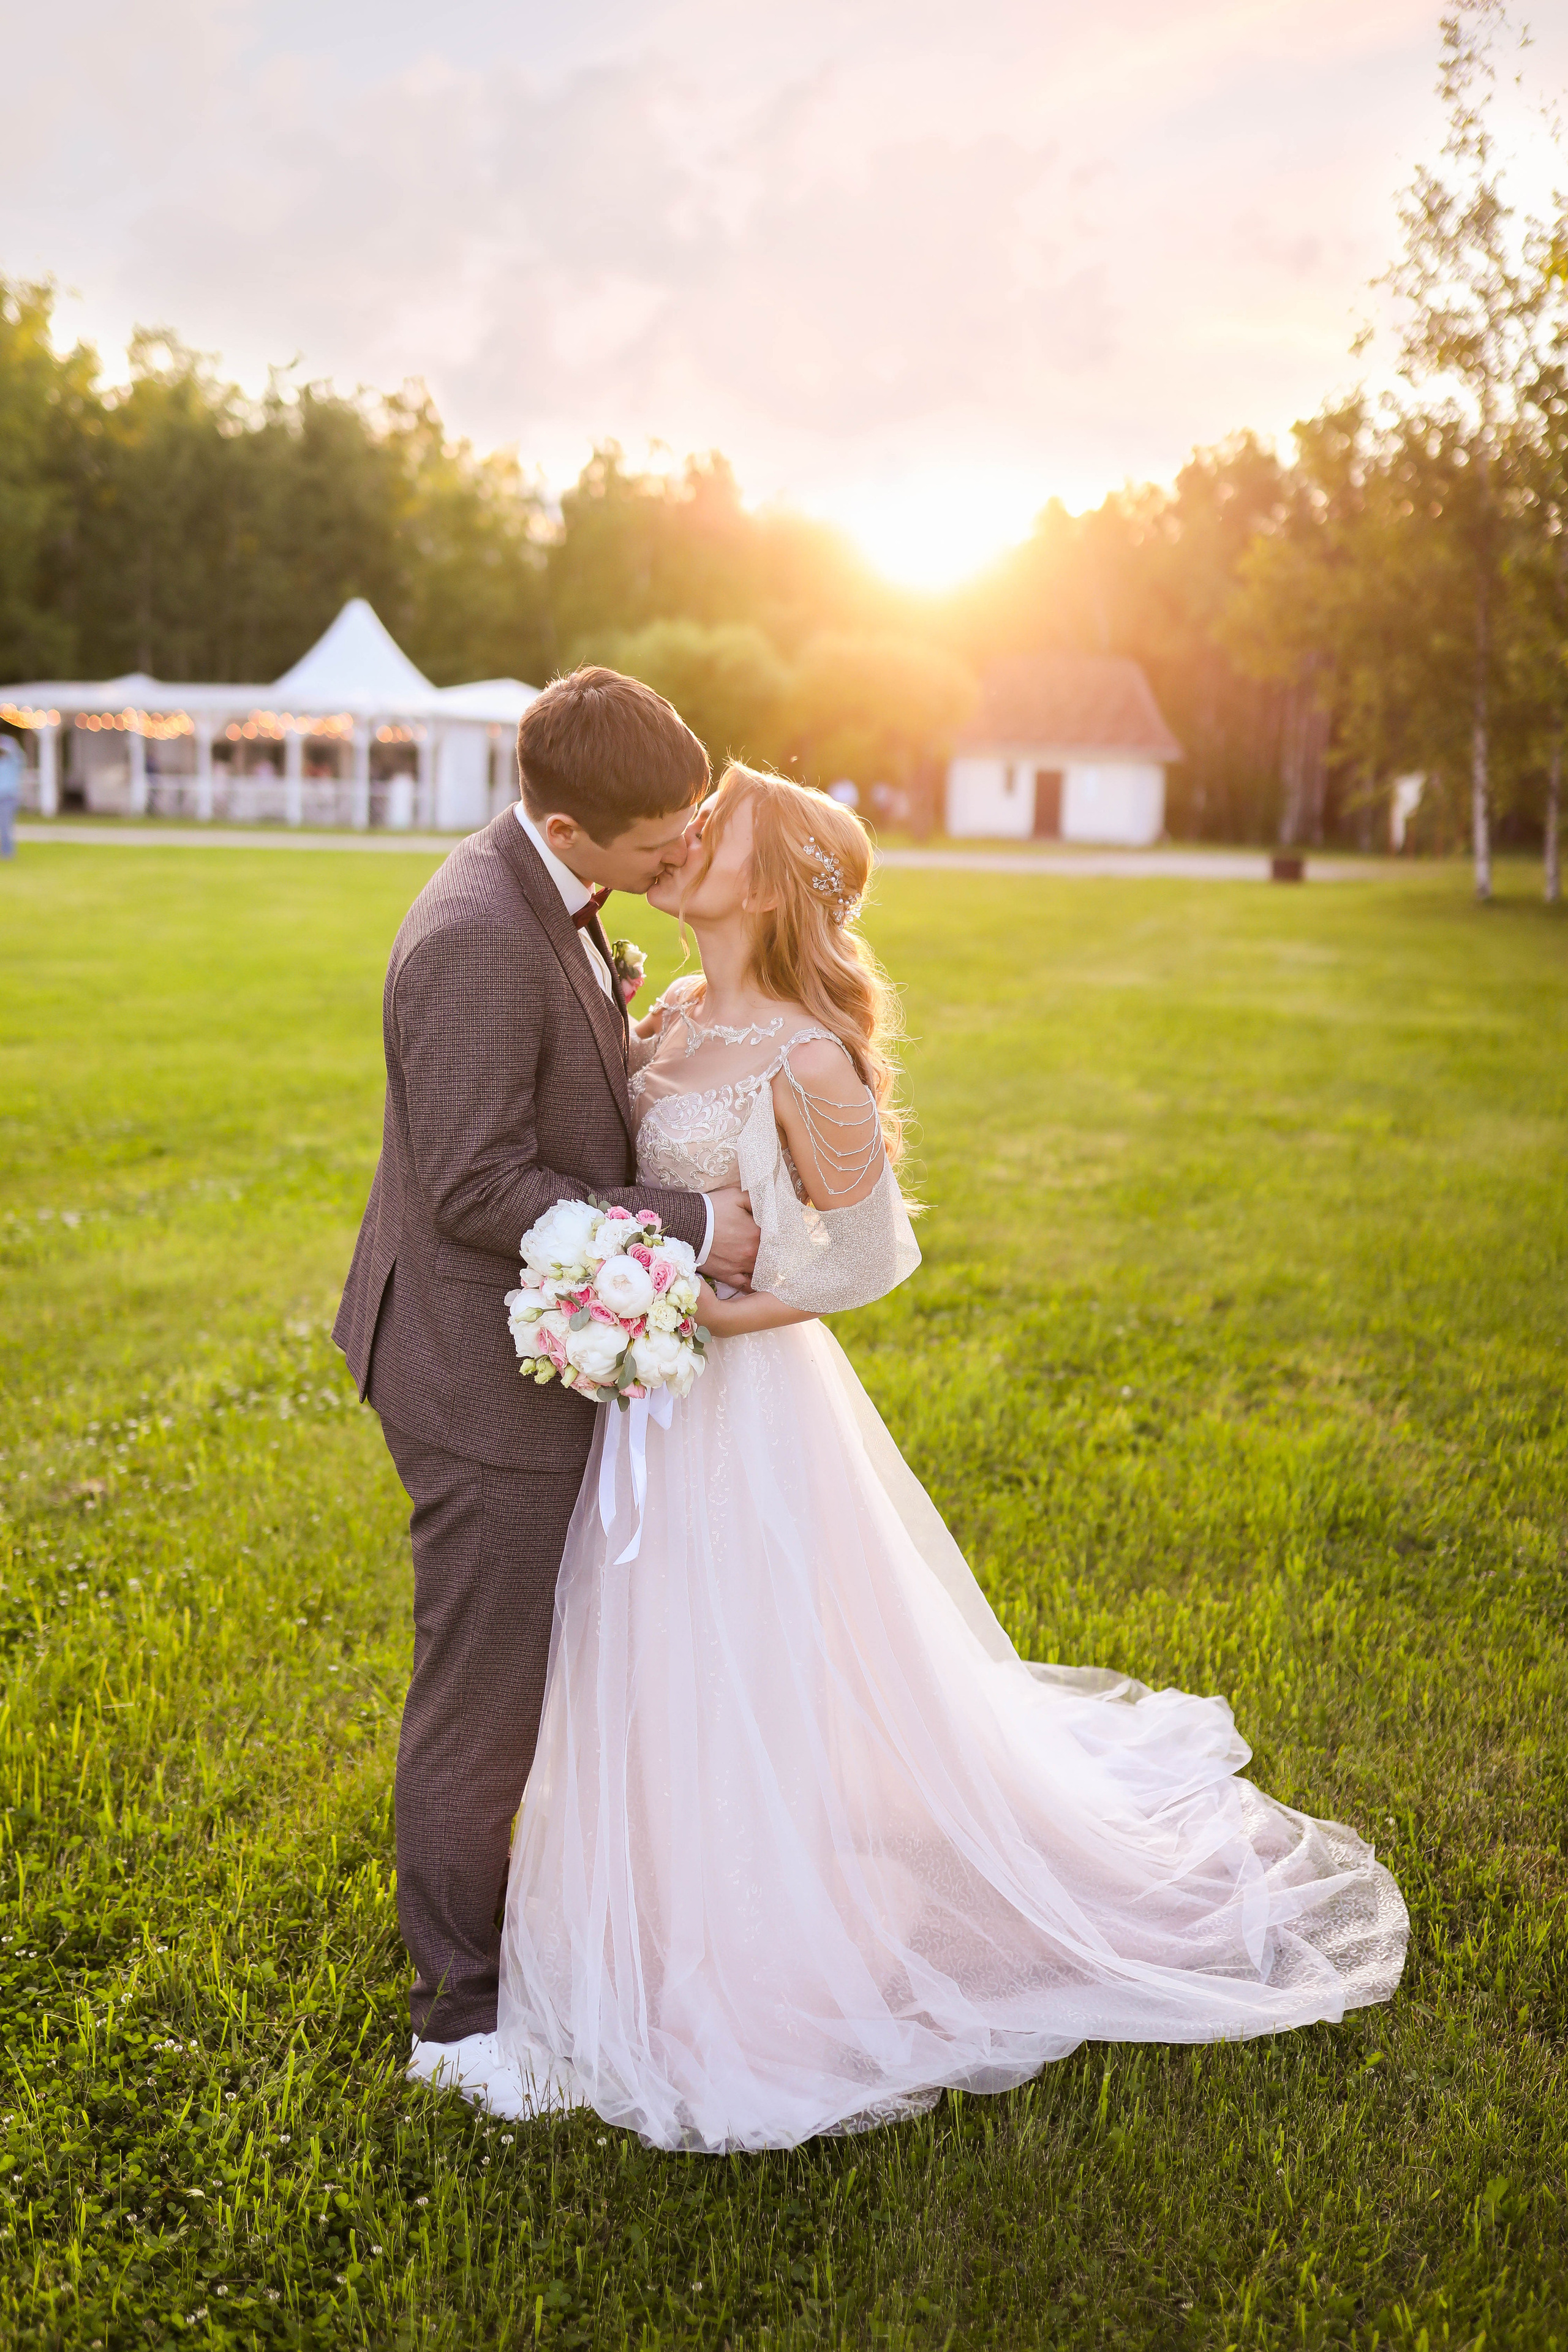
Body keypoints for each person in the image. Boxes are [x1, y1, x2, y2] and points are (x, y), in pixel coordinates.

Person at [487, 762, 1408, 2152]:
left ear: (769, 872)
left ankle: (778, 1932)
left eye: (710, 825)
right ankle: (666, 1880)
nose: (678, 841)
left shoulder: (805, 1053)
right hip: (648, 1391)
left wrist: (673, 1309)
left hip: (735, 1399)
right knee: (655, 1642)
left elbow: (858, 1260)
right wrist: (624, 1282)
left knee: (751, 1648)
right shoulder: (668, 1009)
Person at [333, 669, 762, 2114]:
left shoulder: (548, 899)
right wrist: (688, 1226)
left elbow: (538, 1085)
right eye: (661, 842)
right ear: (571, 826)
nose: (682, 857)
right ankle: (455, 2021)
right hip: (474, 1378)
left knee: (515, 1664)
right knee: (483, 1687)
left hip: (511, 1348)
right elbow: (471, 1184)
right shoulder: (470, 937)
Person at [0, 732, 24, 859]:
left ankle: (8, 853)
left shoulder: (13, 763)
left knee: (5, 826)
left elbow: (16, 753)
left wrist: (4, 741)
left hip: (8, 798)